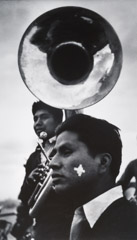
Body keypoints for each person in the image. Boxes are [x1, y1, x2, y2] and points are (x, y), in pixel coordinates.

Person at [50, 113, 137, 240]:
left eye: (66, 152)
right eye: (54, 153)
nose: (52, 163)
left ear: (103, 162)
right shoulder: (67, 219)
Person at [11, 101, 74, 240]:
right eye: (35, 118)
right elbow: (24, 198)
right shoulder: (33, 158)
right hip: (44, 227)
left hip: (70, 223)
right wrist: (29, 181)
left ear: (59, 121)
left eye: (44, 117)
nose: (37, 123)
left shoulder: (70, 149)